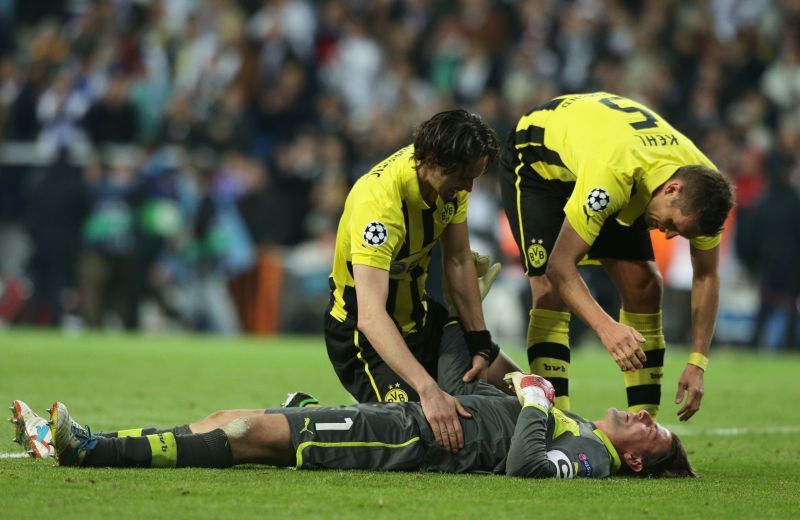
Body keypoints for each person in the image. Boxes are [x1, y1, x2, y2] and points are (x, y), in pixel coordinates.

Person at [11, 323, 693, 478]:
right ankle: (73, 440)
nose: (643, 416)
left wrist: (537, 398)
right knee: (232, 420)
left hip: (404, 439)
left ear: (636, 462)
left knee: (248, 430)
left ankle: (90, 451)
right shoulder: (580, 426)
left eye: (652, 434)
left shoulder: (590, 456)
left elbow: (526, 468)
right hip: (403, 418)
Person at [498, 92, 735, 421]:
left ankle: (644, 423)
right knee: (550, 292)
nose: (667, 234)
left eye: (679, 233)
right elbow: (560, 267)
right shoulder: (613, 175)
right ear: (672, 189)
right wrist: (606, 327)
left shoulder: (707, 191)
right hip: (539, 159)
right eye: (670, 224)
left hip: (608, 156)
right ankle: (554, 423)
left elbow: (706, 276)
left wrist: (698, 361)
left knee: (645, 286)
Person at [325, 108, 520, 453]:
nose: (469, 189)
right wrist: (429, 390)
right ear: (430, 159)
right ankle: (306, 411)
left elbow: (459, 260)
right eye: (464, 177)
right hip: (365, 339)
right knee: (419, 431)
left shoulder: (450, 186)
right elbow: (370, 315)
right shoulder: (380, 205)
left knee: (520, 389)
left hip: (421, 320)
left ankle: (562, 425)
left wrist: (479, 341)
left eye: (475, 178)